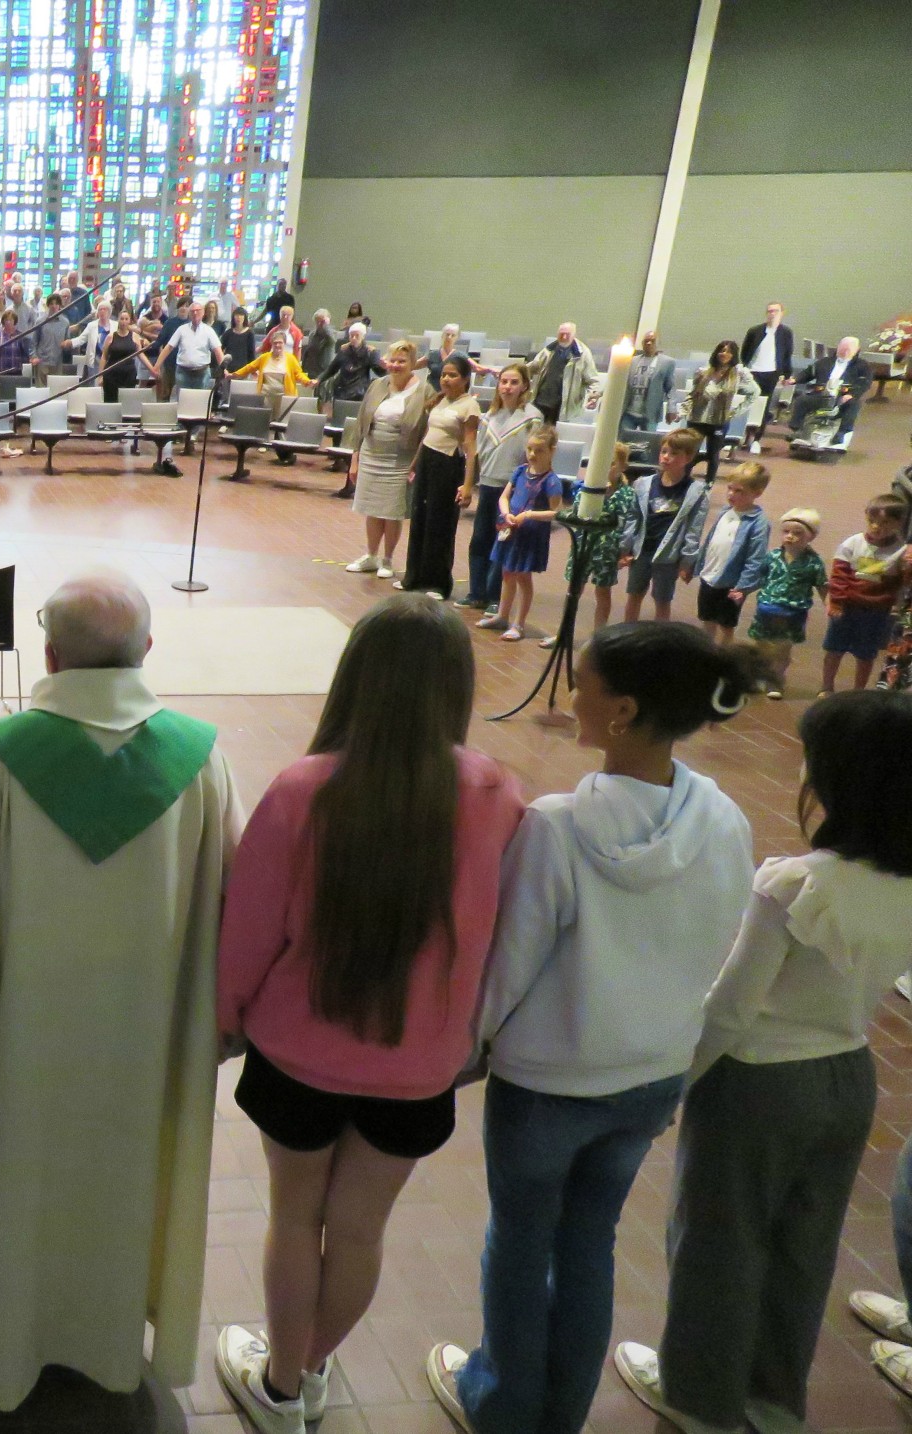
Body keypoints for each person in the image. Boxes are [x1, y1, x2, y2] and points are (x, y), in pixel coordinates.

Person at [425, 622, 756, 1434]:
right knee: (590, 1244)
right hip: (650, 1075)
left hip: (549, 1084)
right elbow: (721, 940)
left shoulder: (557, 828)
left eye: (582, 681)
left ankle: (501, 1402)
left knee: (520, 1240)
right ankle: (563, 1412)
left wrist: (469, 1048)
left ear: (622, 711)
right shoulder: (723, 818)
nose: (571, 692)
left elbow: (510, 967)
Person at [214, 596, 525, 1434]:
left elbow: (248, 930)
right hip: (420, 1064)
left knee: (294, 1216)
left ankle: (279, 1388)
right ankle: (310, 1370)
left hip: (297, 1054)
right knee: (359, 1233)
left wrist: (225, 1016)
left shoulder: (302, 789)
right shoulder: (495, 791)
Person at [0, 569, 242, 1412]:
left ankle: (3, 1346)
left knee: (19, 1180)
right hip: (148, 1050)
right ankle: (109, 1349)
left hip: (23, 1045)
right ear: (147, 649)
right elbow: (234, 912)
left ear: (49, 653)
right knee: (128, 1184)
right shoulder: (202, 760)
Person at [614, 689, 912, 1434]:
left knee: (719, 1242)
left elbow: (728, 1009)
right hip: (850, 1076)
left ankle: (697, 1396)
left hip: (757, 1082)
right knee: (805, 1248)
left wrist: (669, 1087)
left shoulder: (793, 883)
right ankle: (774, 1399)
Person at [345, 339, 432, 579]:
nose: (395, 365)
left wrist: (417, 463)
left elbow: (427, 430)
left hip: (401, 460)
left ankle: (387, 559)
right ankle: (371, 555)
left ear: (413, 364)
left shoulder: (424, 390)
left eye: (401, 361)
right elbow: (361, 422)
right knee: (372, 508)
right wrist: (355, 458)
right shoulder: (377, 385)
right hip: (372, 454)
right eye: (392, 360)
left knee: (392, 511)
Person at [463, 364, 544, 614]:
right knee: (480, 540)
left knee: (503, 541)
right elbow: (478, 453)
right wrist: (470, 482)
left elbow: (534, 454)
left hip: (512, 489)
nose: (507, 387)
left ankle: (495, 596)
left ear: (524, 386)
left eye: (513, 382)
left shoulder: (532, 417)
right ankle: (476, 593)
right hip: (487, 484)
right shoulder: (489, 416)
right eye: (504, 382)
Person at [400, 353, 481, 599]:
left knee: (440, 524)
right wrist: (414, 464)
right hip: (427, 463)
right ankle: (414, 577)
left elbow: (470, 447)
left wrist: (467, 485)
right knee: (420, 519)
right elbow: (428, 435)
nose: (446, 379)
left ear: (465, 379)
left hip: (448, 466)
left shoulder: (470, 405)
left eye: (452, 375)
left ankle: (437, 584)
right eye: (444, 374)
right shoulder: (440, 401)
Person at [481, 425, 566, 641]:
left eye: (539, 450)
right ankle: (502, 615)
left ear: (551, 451)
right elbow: (504, 497)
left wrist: (528, 515)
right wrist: (506, 513)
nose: (532, 455)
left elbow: (555, 512)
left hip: (530, 536)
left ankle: (518, 624)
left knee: (522, 577)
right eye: (529, 449)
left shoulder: (551, 481)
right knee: (507, 573)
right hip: (512, 531)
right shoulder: (520, 471)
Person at [620, 428, 711, 625]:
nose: (666, 457)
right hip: (642, 550)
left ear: (688, 458)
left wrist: (687, 561)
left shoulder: (696, 491)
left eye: (674, 454)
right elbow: (633, 517)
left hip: (668, 555)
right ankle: (627, 635)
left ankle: (660, 639)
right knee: (634, 595)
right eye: (664, 452)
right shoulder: (644, 484)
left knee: (662, 600)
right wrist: (624, 547)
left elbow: (694, 529)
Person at [821, 492, 908, 693]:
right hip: (846, 607)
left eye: (885, 522)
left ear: (898, 523)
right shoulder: (853, 543)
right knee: (834, 649)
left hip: (876, 611)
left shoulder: (901, 550)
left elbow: (901, 581)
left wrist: (897, 600)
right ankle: (827, 686)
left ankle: (858, 691)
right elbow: (839, 575)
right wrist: (836, 602)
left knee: (866, 654)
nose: (877, 527)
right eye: (872, 521)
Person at [554, 442, 640, 644]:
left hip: (607, 551)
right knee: (574, 588)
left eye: (611, 464)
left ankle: (598, 637)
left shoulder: (626, 493)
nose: (605, 469)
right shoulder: (589, 487)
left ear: (622, 467)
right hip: (583, 546)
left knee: (603, 592)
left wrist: (623, 551)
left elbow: (626, 522)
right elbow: (577, 510)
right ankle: (563, 633)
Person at [747, 508, 828, 699]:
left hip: (793, 612)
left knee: (783, 648)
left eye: (798, 533)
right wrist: (742, 591)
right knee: (761, 646)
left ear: (811, 536)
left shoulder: (813, 563)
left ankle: (776, 681)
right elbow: (759, 578)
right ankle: (760, 676)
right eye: (786, 532)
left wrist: (829, 605)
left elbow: (822, 586)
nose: (790, 536)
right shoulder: (772, 557)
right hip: (766, 608)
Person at [695, 462, 772, 643]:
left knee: (726, 625)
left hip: (731, 585)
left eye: (739, 491)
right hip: (709, 576)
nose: (731, 494)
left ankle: (724, 660)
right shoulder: (725, 511)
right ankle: (707, 655)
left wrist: (743, 587)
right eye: (730, 488)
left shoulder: (758, 522)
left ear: (757, 493)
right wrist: (698, 565)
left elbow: (755, 558)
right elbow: (711, 542)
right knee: (707, 619)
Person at [683, 340, 759, 481]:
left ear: (733, 355)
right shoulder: (704, 371)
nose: (724, 354)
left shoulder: (738, 374)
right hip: (697, 419)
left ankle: (708, 485)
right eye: (722, 350)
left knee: (713, 455)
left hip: (719, 421)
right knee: (691, 453)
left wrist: (736, 411)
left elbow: (755, 392)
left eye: (728, 351)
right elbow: (693, 395)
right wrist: (683, 410)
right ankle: (684, 482)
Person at [786, 336, 872, 445]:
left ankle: (841, 433)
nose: (845, 352)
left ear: (856, 350)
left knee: (854, 404)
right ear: (838, 347)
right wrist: (794, 380)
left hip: (842, 397)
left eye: (848, 350)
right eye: (843, 349)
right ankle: (797, 430)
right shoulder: (824, 362)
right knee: (801, 400)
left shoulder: (863, 366)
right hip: (821, 395)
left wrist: (852, 394)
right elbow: (808, 373)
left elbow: (865, 383)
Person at [740, 301, 793, 450]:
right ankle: (743, 436)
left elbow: (787, 354)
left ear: (781, 313)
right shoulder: (754, 331)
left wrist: (786, 375)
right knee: (746, 404)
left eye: (775, 311)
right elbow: (745, 352)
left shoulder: (786, 333)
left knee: (763, 406)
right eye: (769, 311)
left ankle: (756, 438)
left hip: (771, 374)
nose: (772, 314)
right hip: (752, 372)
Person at [525, 323, 600, 427]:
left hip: (563, 407)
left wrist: (593, 396)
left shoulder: (583, 354)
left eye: (567, 334)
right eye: (561, 334)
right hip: (541, 401)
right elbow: (533, 367)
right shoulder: (549, 350)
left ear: (574, 335)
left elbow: (593, 380)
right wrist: (513, 371)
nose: (564, 337)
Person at [317, 322, 384, 405]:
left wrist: (381, 363)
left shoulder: (370, 352)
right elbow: (331, 369)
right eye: (351, 336)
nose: (354, 338)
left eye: (357, 335)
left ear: (363, 337)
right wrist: (318, 380)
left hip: (360, 392)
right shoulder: (344, 351)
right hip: (342, 391)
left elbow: (380, 372)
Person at [625, 330, 676, 434]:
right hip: (629, 411)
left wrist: (671, 408)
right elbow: (619, 380)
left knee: (648, 442)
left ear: (657, 343)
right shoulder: (632, 361)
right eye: (646, 341)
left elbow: (670, 388)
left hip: (650, 412)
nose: (649, 343)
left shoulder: (666, 363)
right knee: (622, 441)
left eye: (652, 341)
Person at [97, 310, 144, 406]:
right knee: (111, 403)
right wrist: (100, 376)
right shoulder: (111, 337)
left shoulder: (135, 337)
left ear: (129, 321)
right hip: (111, 375)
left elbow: (141, 354)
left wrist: (153, 369)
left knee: (127, 402)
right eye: (122, 319)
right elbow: (104, 357)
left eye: (126, 319)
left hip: (129, 374)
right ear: (118, 320)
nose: (123, 321)